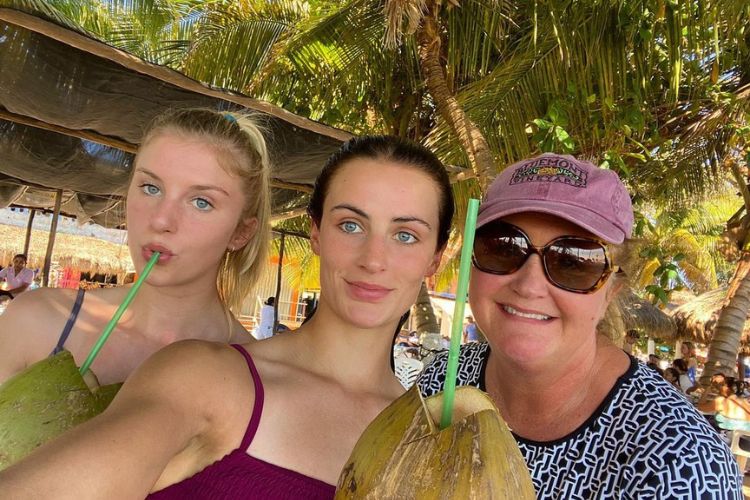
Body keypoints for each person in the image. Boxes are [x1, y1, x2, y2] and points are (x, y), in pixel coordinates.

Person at [0, 135, 453, 498]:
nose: (373, 259)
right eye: (350, 225)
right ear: (316, 233)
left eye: (406, 236)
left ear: (436, 259)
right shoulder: (207, 375)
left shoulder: (430, 440)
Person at [418, 153, 742, 498]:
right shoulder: (442, 380)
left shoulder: (680, 459)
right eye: (503, 247)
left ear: (612, 290)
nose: (528, 285)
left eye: (574, 261)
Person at [0, 108, 270, 386]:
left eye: (202, 202)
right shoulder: (36, 321)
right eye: (151, 187)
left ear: (241, 232)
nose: (161, 219)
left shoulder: (255, 379)